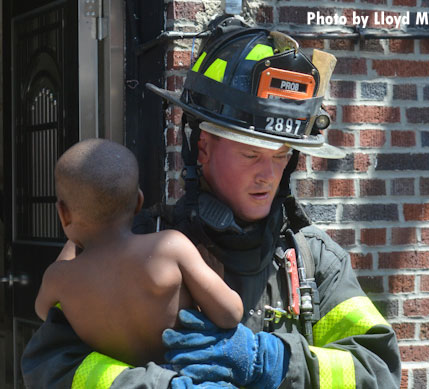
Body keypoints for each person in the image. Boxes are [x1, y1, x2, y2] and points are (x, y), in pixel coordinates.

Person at [22, 16, 401, 389]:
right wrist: (157, 386)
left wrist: (272, 360)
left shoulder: (313, 260)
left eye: (281, 155)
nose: (268, 175)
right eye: (251, 155)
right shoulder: (136, 246)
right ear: (202, 148)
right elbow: (50, 364)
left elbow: (378, 370)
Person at [34, 138, 243, 367]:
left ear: (63, 213)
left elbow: (45, 314)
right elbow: (230, 314)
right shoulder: (169, 248)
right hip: (175, 379)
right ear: (139, 202)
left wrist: (72, 241)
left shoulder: (60, 278)